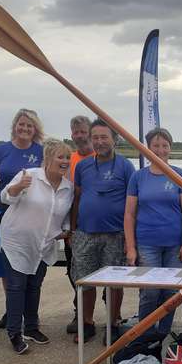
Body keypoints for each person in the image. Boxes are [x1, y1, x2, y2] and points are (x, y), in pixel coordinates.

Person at [0, 139, 74, 354]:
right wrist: (17, 187)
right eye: (60, 157)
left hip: (44, 244)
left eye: (67, 158)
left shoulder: (68, 188)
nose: (65, 161)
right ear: (48, 158)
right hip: (17, 241)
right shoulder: (29, 175)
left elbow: (65, 215)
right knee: (16, 286)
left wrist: (66, 230)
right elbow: (5, 198)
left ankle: (31, 327)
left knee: (34, 286)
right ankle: (14, 332)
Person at [124, 127, 182, 340]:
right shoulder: (138, 177)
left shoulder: (180, 175)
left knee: (171, 293)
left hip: (174, 245)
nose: (160, 150)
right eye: (156, 145)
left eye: (164, 145)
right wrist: (131, 247)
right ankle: (144, 336)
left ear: (170, 148)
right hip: (147, 243)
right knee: (150, 292)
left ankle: (162, 336)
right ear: (147, 149)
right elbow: (129, 215)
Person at [71, 118, 136, 343]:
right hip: (86, 233)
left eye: (104, 137)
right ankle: (87, 323)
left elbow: (133, 204)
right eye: (95, 137)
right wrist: (73, 230)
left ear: (114, 140)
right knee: (85, 281)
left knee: (115, 283)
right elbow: (77, 198)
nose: (99, 142)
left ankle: (113, 323)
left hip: (115, 235)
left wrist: (131, 240)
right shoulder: (82, 166)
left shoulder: (126, 166)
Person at [0, 108, 45, 329]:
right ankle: (12, 309)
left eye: (29, 125)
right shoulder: (1, 150)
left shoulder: (41, 152)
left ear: (35, 129)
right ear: (15, 126)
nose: (25, 128)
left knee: (29, 263)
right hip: (4, 209)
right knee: (8, 263)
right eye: (21, 124)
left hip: (29, 212)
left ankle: (28, 313)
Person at [64, 115, 94, 334]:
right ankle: (80, 314)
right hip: (73, 225)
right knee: (75, 271)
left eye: (83, 131)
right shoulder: (68, 159)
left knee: (106, 271)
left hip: (98, 225)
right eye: (76, 132)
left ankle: (114, 315)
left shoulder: (101, 157)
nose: (80, 136)